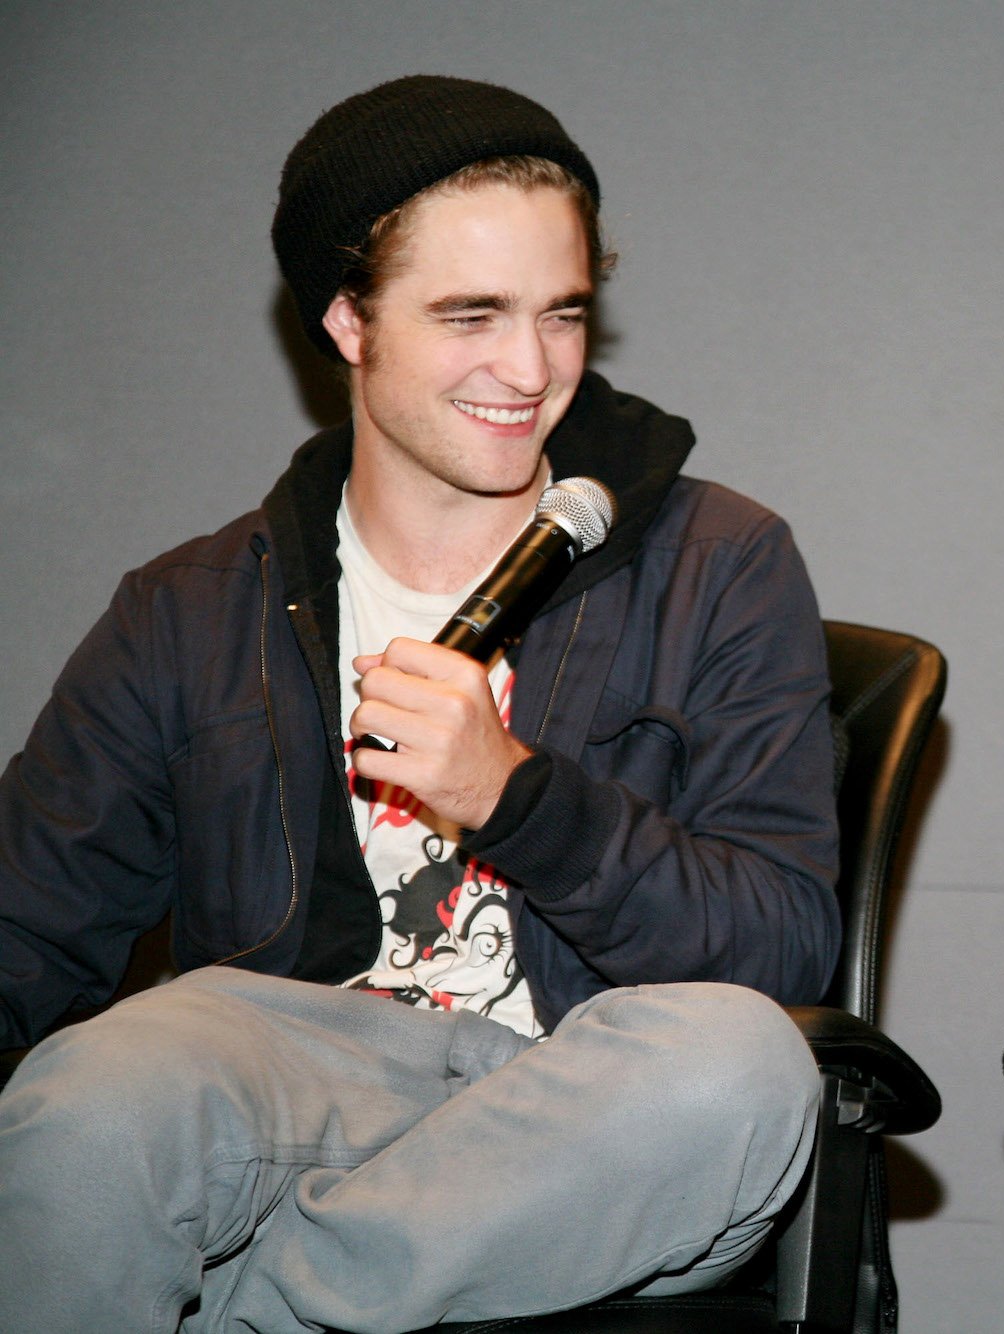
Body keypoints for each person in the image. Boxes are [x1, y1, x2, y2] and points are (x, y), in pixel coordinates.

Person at [0, 76, 841, 1332]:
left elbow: (778, 946)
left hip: (569, 1116)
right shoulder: (191, 606)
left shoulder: (718, 558)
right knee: (98, 1092)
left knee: (739, 1064)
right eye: (471, 316)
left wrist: (515, 796)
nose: (530, 367)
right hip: (295, 1080)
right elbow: (25, 922)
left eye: (563, 313)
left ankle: (258, 1313)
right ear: (347, 318)